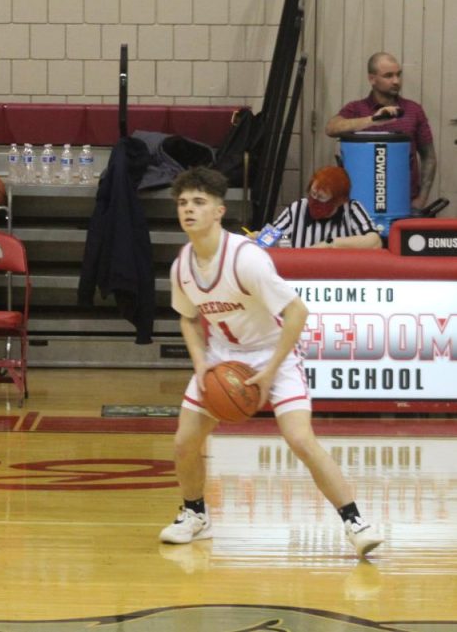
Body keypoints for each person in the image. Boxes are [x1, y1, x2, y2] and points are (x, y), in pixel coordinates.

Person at [160, 166, 384, 557]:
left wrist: (267, 370)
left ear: (218, 211)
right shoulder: (182, 266)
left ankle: (355, 521)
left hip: (273, 354)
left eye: (199, 202)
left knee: (300, 439)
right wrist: (200, 365)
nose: (188, 210)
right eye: (182, 203)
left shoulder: (247, 259)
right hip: (222, 358)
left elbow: (297, 313)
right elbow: (189, 317)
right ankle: (195, 514)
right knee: (184, 442)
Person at [325, 52, 436, 211]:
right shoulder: (356, 108)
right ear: (372, 79)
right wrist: (373, 119)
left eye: (398, 75)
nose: (396, 81)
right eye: (388, 76)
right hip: (359, 203)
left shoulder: (413, 110)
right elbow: (331, 128)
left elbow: (429, 157)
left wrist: (421, 199)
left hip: (404, 201)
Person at [270, 166, 382, 249]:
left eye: (321, 198)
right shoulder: (297, 208)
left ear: (339, 201)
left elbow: (375, 242)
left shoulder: (352, 209)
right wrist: (284, 241)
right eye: (313, 194)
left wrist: (330, 243)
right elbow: (270, 237)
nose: (314, 200)